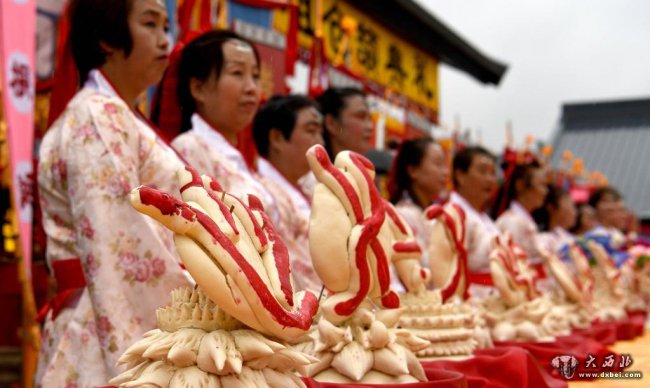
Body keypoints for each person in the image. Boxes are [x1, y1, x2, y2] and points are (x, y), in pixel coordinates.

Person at [36, 0, 191, 385]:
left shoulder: (113, 112)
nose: (164, 41)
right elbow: (121, 243)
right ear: (107, 38)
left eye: (166, 27)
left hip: (98, 312)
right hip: (105, 317)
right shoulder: (98, 114)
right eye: (150, 24)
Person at [161, 29, 279, 221]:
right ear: (198, 88)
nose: (251, 88)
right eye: (237, 73)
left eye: (255, 76)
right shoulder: (189, 148)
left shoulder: (238, 158)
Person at [251, 94, 323, 291]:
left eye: (320, 133)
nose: (319, 142)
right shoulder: (260, 192)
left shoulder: (309, 192)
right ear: (277, 138)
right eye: (311, 131)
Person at [431, 146, 500, 296]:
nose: (490, 179)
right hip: (469, 300)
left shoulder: (485, 218)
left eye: (493, 173)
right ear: (460, 175)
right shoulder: (452, 215)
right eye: (482, 171)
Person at [389, 137, 449, 271]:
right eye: (438, 164)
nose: (445, 172)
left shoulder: (430, 212)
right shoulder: (405, 214)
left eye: (444, 165)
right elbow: (422, 269)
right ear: (413, 171)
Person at [494, 158, 549, 270]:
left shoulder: (522, 220)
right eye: (542, 184)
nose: (546, 191)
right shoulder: (512, 222)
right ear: (520, 185)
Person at [534, 185, 577, 256]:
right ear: (551, 207)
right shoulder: (538, 236)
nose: (574, 212)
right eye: (568, 204)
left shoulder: (570, 239)